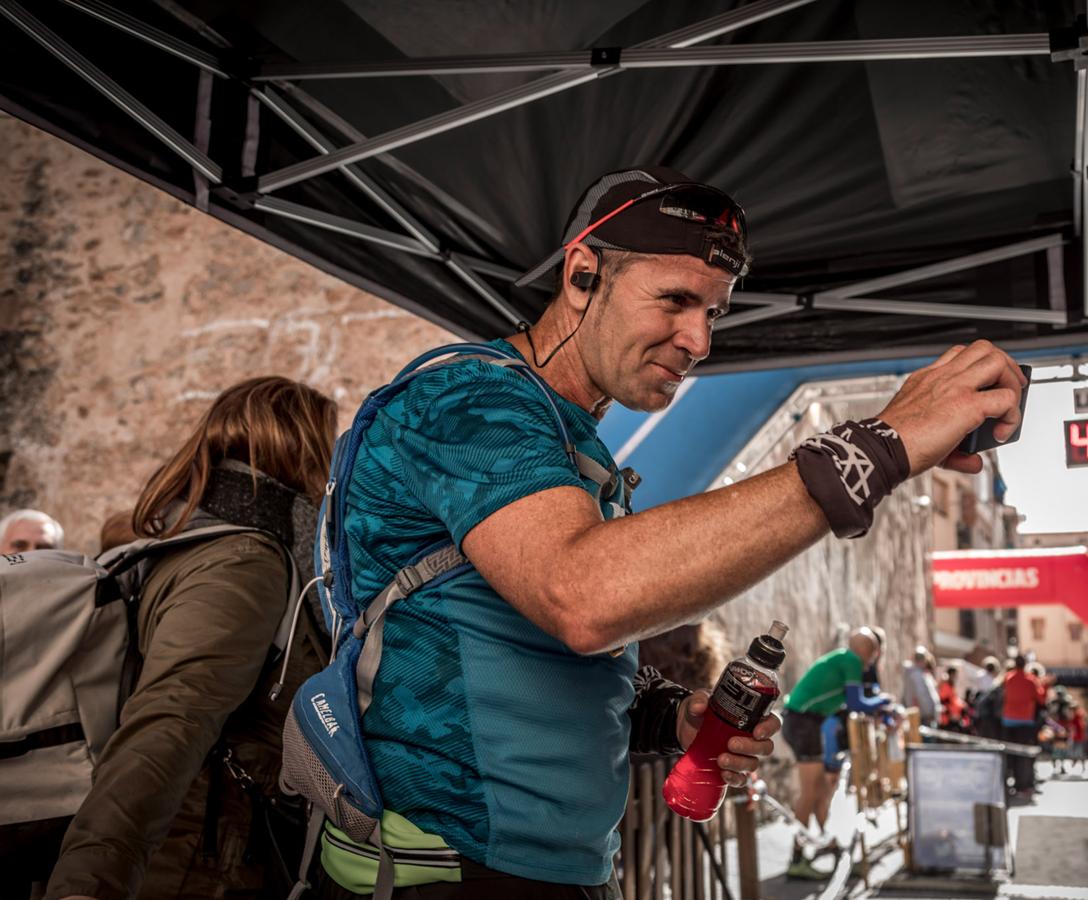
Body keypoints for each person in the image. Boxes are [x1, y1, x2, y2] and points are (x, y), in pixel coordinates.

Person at [325, 164, 1027, 896]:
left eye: (715, 313)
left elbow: (501, 648)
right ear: (582, 276)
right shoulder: (467, 396)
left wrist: (666, 716)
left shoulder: (574, 446)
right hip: (438, 867)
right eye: (675, 300)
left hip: (547, 868)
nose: (698, 340)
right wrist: (873, 450)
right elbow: (582, 596)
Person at [44, 376, 337, 899]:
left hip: (200, 849)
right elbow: (170, 720)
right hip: (192, 861)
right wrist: (89, 885)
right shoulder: (243, 562)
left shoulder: (186, 538)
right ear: (304, 450)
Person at [781, 628, 890, 879]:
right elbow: (856, 703)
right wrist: (884, 702)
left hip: (806, 722)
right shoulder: (852, 660)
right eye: (873, 652)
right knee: (810, 792)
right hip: (803, 723)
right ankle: (796, 858)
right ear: (868, 652)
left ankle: (828, 842)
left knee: (819, 788)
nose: (873, 658)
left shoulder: (843, 658)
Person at [1001, 655, 1046, 795]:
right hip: (1025, 721)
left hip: (1008, 720)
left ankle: (1011, 781)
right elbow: (1041, 698)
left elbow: (1003, 696)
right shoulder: (1030, 680)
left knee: (1010, 753)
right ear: (1025, 664)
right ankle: (1023, 784)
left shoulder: (1008, 678)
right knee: (1024, 754)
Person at [902, 646, 941, 727]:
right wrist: (929, 713)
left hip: (921, 716)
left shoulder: (916, 674)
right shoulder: (917, 675)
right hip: (922, 718)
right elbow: (922, 696)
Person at [938, 666, 965, 731]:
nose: (956, 677)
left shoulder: (951, 686)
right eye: (955, 675)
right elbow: (943, 702)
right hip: (947, 720)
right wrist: (950, 714)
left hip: (953, 718)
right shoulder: (945, 686)